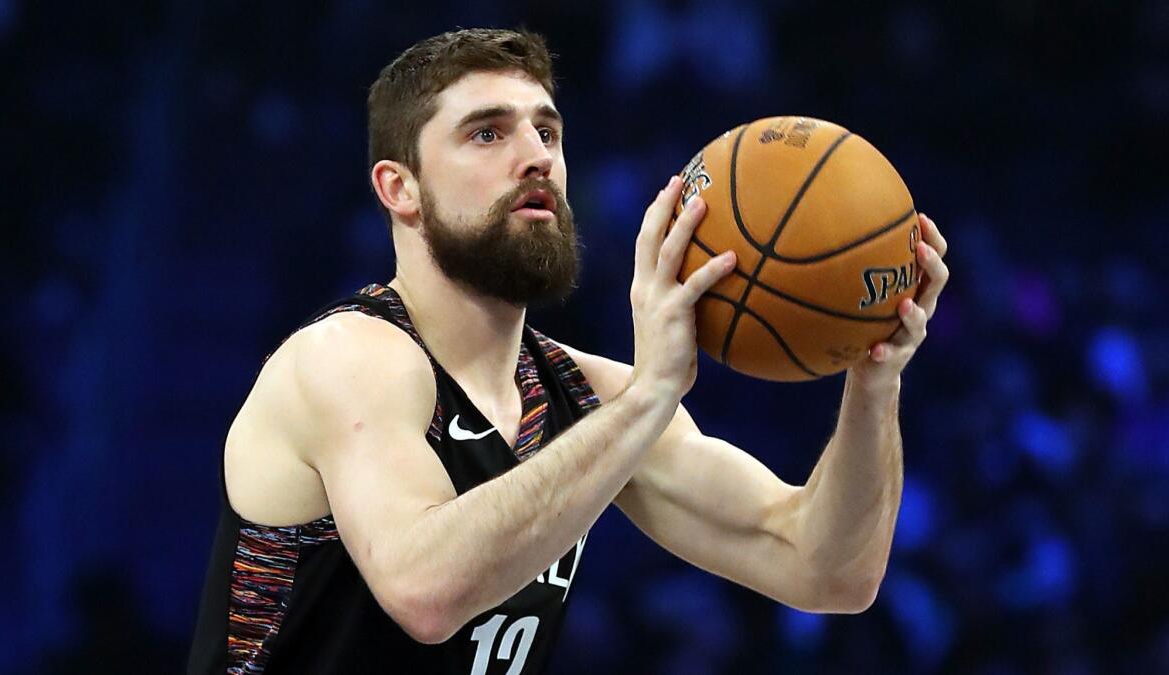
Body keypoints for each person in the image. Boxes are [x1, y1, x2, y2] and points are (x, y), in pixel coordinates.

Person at [187, 27, 950, 675]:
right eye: (488, 133)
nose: (536, 157)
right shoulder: (345, 358)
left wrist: (873, 378)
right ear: (400, 188)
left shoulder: (585, 396)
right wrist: (653, 394)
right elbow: (425, 590)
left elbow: (829, 569)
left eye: (546, 131)